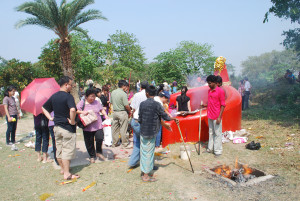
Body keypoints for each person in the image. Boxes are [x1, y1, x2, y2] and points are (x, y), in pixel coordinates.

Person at [42, 76, 79, 180]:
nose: (71, 87)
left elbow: (43, 108)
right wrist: (72, 121)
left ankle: (63, 169)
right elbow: (72, 109)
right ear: (66, 85)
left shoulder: (54, 96)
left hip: (56, 127)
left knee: (59, 150)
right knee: (67, 151)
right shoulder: (68, 96)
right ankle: (67, 174)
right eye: (71, 85)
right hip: (67, 128)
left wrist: (50, 118)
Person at [139, 85, 178, 182]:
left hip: (144, 131)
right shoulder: (157, 105)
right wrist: (173, 118)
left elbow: (140, 119)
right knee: (148, 153)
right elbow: (166, 117)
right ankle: (145, 176)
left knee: (146, 152)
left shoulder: (142, 104)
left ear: (146, 93)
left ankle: (146, 170)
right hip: (152, 132)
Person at [77, 88, 109, 163]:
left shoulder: (97, 102)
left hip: (98, 124)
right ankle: (92, 156)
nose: (92, 98)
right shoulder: (82, 102)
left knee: (100, 138)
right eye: (91, 96)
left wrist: (105, 115)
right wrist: (83, 112)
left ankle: (98, 152)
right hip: (87, 126)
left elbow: (101, 109)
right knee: (89, 141)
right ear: (86, 96)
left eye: (94, 96)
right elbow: (76, 110)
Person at [202, 75, 225, 157]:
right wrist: (205, 105)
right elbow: (210, 102)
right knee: (211, 133)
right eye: (208, 83)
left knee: (217, 133)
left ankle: (218, 151)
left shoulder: (220, 91)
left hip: (216, 116)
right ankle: (210, 148)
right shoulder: (209, 91)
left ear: (215, 82)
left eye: (210, 83)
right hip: (210, 115)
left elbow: (223, 105)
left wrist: (219, 117)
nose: (208, 85)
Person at [128, 81, 148, 168]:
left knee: (136, 142)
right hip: (144, 121)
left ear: (140, 87)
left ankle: (132, 162)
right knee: (145, 143)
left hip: (135, 120)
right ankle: (146, 164)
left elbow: (134, 109)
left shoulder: (137, 95)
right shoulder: (149, 96)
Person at [111, 80, 132, 148]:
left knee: (115, 129)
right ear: (124, 86)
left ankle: (114, 143)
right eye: (126, 87)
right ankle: (124, 144)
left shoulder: (113, 92)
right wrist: (129, 111)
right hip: (122, 112)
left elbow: (111, 102)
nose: (126, 89)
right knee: (124, 129)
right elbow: (126, 105)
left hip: (115, 112)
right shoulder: (123, 94)